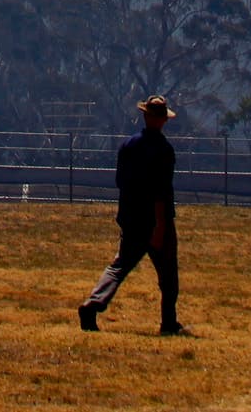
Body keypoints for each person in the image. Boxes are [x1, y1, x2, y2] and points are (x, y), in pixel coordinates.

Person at [78, 96, 187, 335]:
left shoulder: (128, 145)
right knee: (168, 275)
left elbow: (120, 181)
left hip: (130, 217)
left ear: (145, 116)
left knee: (119, 266)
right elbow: (161, 191)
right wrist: (159, 227)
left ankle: (93, 303)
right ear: (162, 120)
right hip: (156, 220)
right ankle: (168, 322)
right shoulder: (164, 150)